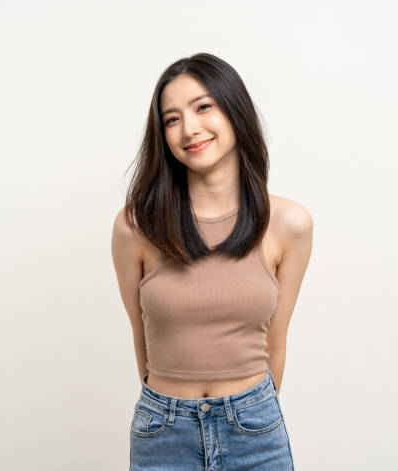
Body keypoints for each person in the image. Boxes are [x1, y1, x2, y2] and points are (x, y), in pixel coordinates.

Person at [111, 52, 313, 470]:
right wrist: (170, 410)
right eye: (171, 119)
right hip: (162, 432)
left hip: (255, 428)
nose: (189, 129)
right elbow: (142, 339)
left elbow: (276, 342)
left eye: (204, 107)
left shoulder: (289, 224)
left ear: (235, 112)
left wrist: (252, 412)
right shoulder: (135, 227)